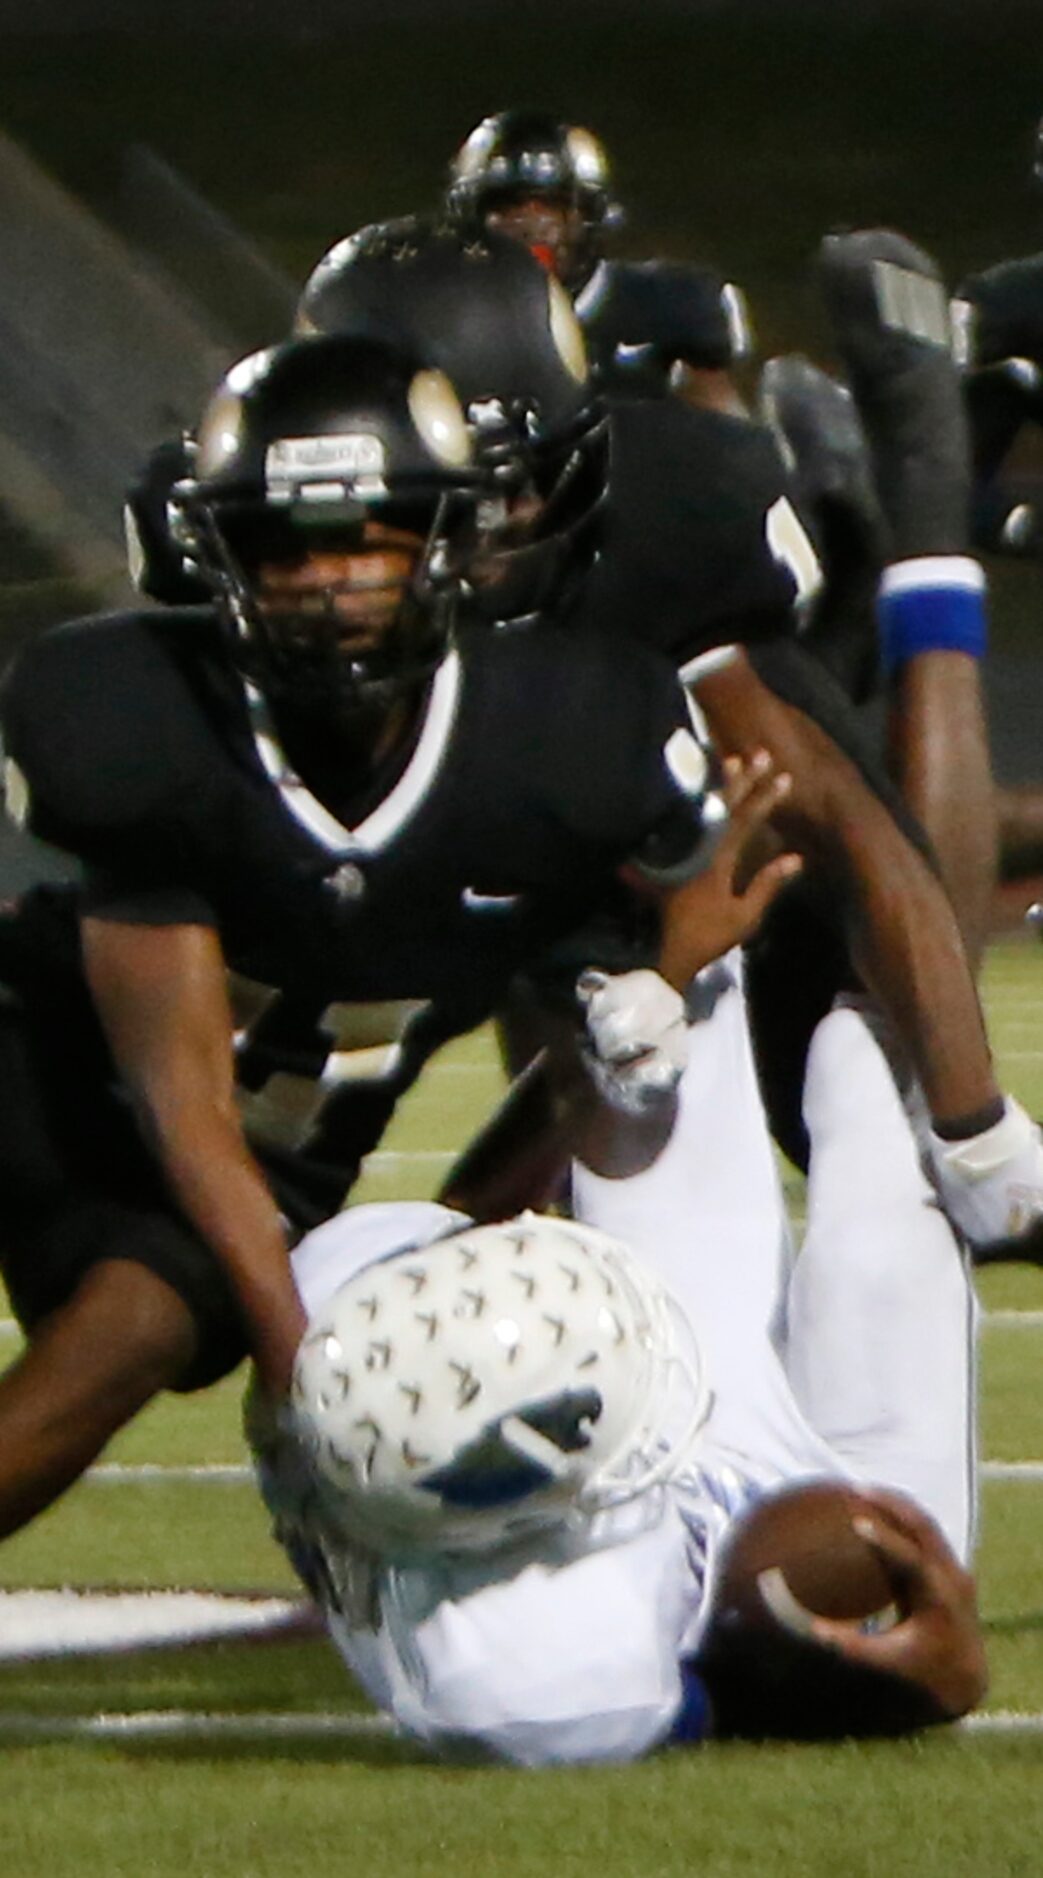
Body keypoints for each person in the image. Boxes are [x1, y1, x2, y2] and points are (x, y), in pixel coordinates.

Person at [0, 317, 800, 1541]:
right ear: (216, 559)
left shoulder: (564, 742)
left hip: (256, 1177)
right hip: (45, 1055)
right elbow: (183, 1104)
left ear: (449, 540)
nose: (329, 586)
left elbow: (576, 1066)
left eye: (368, 547)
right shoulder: (140, 718)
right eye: (285, 552)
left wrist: (666, 973)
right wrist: (302, 1367)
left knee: (138, 1323)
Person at [249, 968, 986, 1762]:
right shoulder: (532, 1679)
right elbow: (730, 1702)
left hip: (618, 1409)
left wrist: (619, 1028)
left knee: (669, 1010)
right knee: (875, 1094)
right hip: (737, 1541)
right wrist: (926, 1689)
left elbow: (469, 1219)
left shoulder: (343, 1301)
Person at [443, 109, 754, 413]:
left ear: (592, 215)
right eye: (507, 208)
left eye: (552, 207)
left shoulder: (670, 308)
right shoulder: (437, 321)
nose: (530, 226)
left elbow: (732, 447)